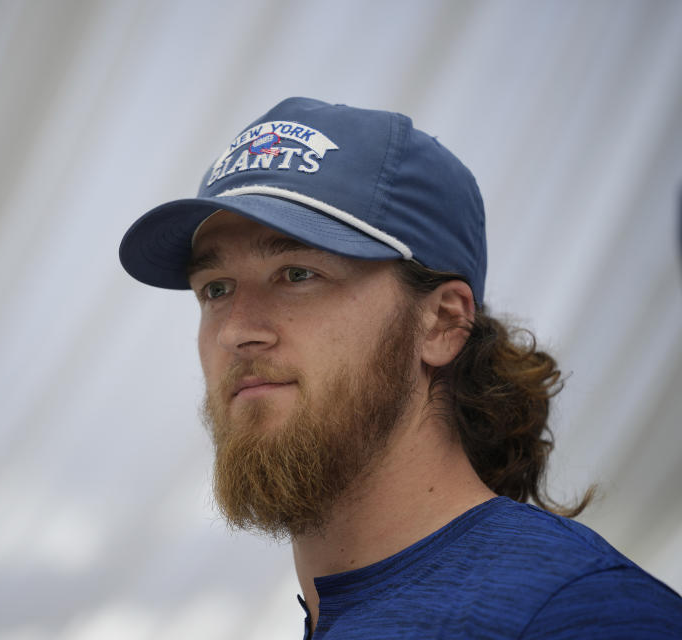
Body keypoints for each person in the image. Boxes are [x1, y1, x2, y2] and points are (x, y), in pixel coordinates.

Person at [118, 98, 682, 639]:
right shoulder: (345, 607)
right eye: (215, 288)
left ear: (441, 322)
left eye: (297, 274)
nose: (237, 330)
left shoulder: (578, 615)